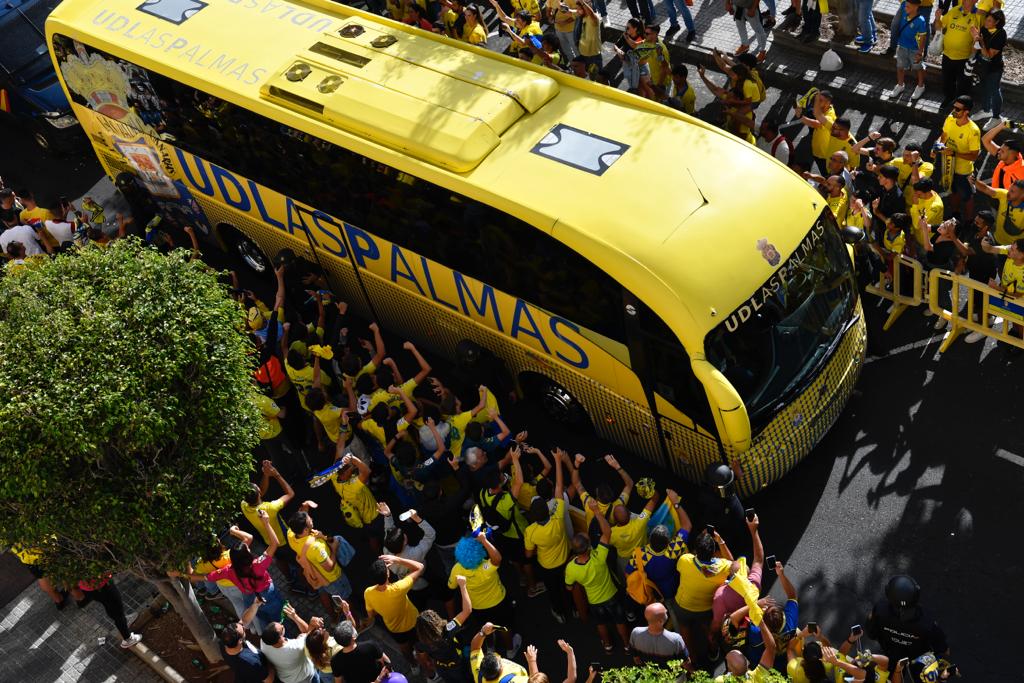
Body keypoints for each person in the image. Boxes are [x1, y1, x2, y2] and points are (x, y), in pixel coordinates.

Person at [200, 510, 286, 634]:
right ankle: (280, 633)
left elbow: (207, 577)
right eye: (247, 548)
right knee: (278, 617)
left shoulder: (228, 570)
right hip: (268, 595)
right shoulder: (258, 564)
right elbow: (274, 543)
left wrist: (184, 574)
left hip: (251, 598)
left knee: (261, 616)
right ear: (247, 555)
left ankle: (265, 633)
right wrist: (266, 523)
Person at [565, 499, 630, 654]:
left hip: (594, 602)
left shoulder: (571, 568)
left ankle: (608, 646)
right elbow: (607, 532)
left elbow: (569, 587)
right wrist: (597, 512)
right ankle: (627, 646)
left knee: (601, 624)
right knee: (620, 621)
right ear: (588, 547)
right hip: (612, 596)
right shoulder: (599, 557)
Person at [448, 533, 521, 658]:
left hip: (477, 607)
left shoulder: (457, 569)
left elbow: (451, 586)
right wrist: (484, 540)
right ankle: (510, 649)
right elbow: (497, 559)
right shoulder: (485, 567)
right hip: (499, 602)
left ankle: (490, 648)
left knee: (486, 629)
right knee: (504, 627)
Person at [627, 489, 692, 625]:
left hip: (654, 592)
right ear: (668, 541)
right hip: (672, 588)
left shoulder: (639, 554)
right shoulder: (673, 550)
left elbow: (628, 572)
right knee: (674, 614)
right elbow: (687, 525)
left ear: (649, 539)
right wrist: (675, 503)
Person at [523, 446, 571, 623]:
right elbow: (559, 486)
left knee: (554, 591)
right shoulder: (557, 516)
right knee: (568, 586)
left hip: (547, 566)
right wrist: (558, 461)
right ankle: (573, 608)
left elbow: (529, 554)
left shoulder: (530, 531)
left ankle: (559, 613)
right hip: (565, 559)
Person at [673, 528, 733, 664]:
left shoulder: (685, 560)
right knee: (709, 631)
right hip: (705, 608)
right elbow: (734, 564)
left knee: (685, 632)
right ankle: (713, 651)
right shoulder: (723, 567)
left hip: (683, 605)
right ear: (714, 552)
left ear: (696, 550)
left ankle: (691, 659)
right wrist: (721, 541)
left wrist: (702, 535)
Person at [287, 506, 355, 619]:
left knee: (323, 593)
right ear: (304, 530)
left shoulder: (291, 535)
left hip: (317, 577)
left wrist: (305, 506)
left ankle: (333, 618)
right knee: (346, 600)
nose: (311, 519)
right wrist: (334, 549)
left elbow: (300, 514)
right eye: (309, 520)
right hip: (333, 579)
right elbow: (329, 567)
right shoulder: (316, 547)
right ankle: (356, 623)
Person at [865, 575, 948, 663]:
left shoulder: (880, 609)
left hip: (889, 651)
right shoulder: (927, 621)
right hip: (915, 658)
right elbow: (942, 648)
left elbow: (871, 633)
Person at [363, 554, 424, 661]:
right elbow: (420, 567)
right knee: (421, 646)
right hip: (414, 622)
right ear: (388, 574)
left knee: (404, 648)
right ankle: (429, 670)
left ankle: (413, 665)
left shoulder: (368, 593)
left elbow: (371, 615)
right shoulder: (399, 588)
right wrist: (397, 559)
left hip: (394, 628)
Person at [414, 575, 472, 683]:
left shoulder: (420, 643)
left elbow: (424, 660)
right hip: (458, 666)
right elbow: (467, 610)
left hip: (441, 669)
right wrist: (463, 586)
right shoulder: (447, 631)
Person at [952, 210, 999, 342]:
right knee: (976, 299)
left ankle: (983, 329)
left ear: (986, 227)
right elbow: (967, 246)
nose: (975, 223)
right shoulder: (975, 232)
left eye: (978, 222)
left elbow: (967, 250)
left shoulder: (987, 240)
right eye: (975, 220)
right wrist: (961, 260)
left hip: (984, 275)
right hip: (975, 271)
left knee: (981, 301)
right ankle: (987, 319)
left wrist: (952, 236)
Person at [381, 504, 437, 609]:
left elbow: (388, 531)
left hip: (409, 586)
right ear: (404, 541)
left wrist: (388, 516)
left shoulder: (386, 552)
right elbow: (430, 535)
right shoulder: (415, 554)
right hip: (424, 581)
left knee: (419, 607)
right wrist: (417, 519)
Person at [330, 452, 385, 554]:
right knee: (385, 534)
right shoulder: (353, 487)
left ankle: (377, 555)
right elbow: (367, 471)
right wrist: (353, 458)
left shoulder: (334, 478)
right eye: (350, 467)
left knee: (372, 538)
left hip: (364, 519)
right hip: (374, 516)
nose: (353, 467)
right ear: (345, 473)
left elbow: (337, 458)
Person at [937, 95, 982, 216]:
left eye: (957, 109)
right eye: (953, 107)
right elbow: (944, 135)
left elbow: (974, 156)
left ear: (966, 111)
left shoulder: (973, 131)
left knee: (967, 197)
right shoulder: (950, 119)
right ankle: (955, 213)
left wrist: (954, 153)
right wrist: (937, 146)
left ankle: (968, 221)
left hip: (963, 172)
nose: (953, 111)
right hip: (948, 166)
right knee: (952, 191)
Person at [72, 574, 142, 649]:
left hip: (90, 588)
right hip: (101, 585)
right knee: (117, 609)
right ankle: (128, 638)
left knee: (109, 606)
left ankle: (124, 622)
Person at [933, 0, 981, 104]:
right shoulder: (954, 10)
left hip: (964, 58)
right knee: (947, 82)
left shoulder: (978, 16)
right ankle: (949, 98)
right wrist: (937, 19)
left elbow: (980, 40)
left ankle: (961, 105)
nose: (963, 0)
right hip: (947, 55)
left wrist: (976, 38)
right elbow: (939, 27)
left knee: (963, 84)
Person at [261, 605, 323, 683]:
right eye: (282, 628)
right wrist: (295, 616)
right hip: (306, 677)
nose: (283, 625)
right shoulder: (295, 647)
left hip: (286, 679)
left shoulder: (264, 642)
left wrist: (298, 639)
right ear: (280, 639)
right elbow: (307, 633)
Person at [981, 237, 1024, 348]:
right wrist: (985, 244)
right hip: (1008, 293)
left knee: (1020, 322)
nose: (1009, 250)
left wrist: (996, 287)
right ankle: (1015, 332)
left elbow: (1018, 295)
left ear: (1021, 255)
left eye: (1013, 249)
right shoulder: (1011, 254)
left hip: (1019, 300)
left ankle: (1020, 344)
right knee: (1012, 318)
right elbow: (990, 249)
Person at [221, 599, 275, 683]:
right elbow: (269, 680)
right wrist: (272, 665)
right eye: (243, 630)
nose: (244, 627)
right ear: (239, 641)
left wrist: (255, 605)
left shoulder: (224, 644)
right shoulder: (250, 662)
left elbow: (243, 621)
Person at [887, 0, 928, 101]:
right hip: (902, 46)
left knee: (918, 68)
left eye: (908, 7)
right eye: (905, 6)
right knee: (900, 67)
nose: (905, 8)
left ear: (916, 7)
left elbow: (923, 37)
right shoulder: (904, 14)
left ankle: (921, 86)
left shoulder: (921, 20)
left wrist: (920, 52)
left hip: (914, 49)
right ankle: (900, 85)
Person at [630, 602, 692, 667]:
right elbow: (685, 661)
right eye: (665, 612)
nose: (666, 611)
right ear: (660, 621)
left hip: (649, 672)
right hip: (671, 675)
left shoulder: (635, 632)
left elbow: (635, 655)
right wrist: (692, 671)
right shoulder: (675, 638)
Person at [968, 176, 1024, 245]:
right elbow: (986, 189)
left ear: (1022, 195)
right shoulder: (1004, 195)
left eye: (1012, 191)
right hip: (995, 238)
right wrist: (975, 181)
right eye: (1010, 189)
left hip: (1012, 248)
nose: (1008, 192)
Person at [787, 636, 867, 683]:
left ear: (804, 656)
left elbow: (790, 648)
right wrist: (820, 636)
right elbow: (832, 650)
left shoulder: (793, 669)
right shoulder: (828, 664)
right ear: (821, 657)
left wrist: (801, 635)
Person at [10, 545, 67, 609]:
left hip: (29, 558)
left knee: (42, 576)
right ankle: (77, 595)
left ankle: (58, 600)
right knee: (62, 568)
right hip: (44, 549)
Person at [974, 10, 1006, 119]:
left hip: (994, 68)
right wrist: (975, 38)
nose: (986, 23)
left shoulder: (1001, 34)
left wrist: (981, 42)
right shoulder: (983, 29)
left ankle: (996, 117)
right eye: (986, 20)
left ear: (997, 22)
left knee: (994, 90)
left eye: (989, 21)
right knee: (984, 88)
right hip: (983, 66)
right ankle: (986, 110)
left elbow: (988, 55)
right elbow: (976, 47)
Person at [795, 89, 837, 174]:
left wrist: (800, 117)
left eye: (820, 101)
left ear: (828, 103)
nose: (817, 103)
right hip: (817, 147)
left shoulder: (829, 117)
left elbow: (816, 124)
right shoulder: (826, 108)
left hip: (823, 155)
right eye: (817, 100)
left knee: (825, 172)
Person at [981, 121, 1024, 189]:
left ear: (1012, 153)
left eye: (1002, 151)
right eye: (1000, 149)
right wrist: (1001, 126)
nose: (999, 152)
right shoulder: (1006, 158)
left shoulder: (1021, 175)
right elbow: (985, 140)